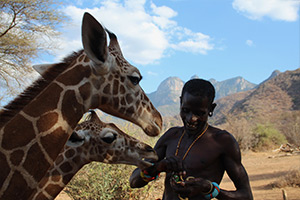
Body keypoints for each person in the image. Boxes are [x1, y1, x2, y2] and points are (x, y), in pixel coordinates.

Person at [129, 79, 253, 200]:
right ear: (180, 103)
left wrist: (210, 189)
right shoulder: (171, 136)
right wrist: (157, 167)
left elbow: (246, 195)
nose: (191, 119)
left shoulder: (222, 142)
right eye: (185, 110)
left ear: (211, 109)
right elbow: (134, 181)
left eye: (199, 113)